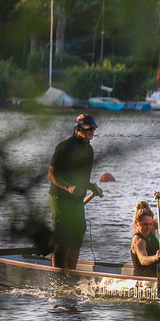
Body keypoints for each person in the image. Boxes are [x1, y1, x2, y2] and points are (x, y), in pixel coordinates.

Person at [47, 114, 103, 269]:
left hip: (76, 200)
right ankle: (57, 274)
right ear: (78, 129)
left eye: (93, 128)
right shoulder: (64, 147)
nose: (91, 131)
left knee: (78, 234)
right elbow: (51, 175)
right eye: (87, 128)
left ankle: (71, 273)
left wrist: (92, 186)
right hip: (60, 197)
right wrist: (68, 187)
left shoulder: (89, 149)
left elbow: (82, 177)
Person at [130, 192, 160, 277]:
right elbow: (143, 259)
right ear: (137, 223)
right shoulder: (138, 240)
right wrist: (156, 257)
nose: (148, 227)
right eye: (145, 224)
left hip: (158, 273)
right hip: (144, 278)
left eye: (150, 223)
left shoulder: (151, 228)